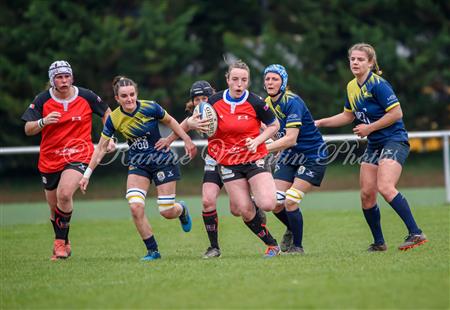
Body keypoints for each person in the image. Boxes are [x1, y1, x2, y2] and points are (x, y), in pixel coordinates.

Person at [315, 43, 427, 251]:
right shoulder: (351, 86)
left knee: (385, 187)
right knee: (367, 194)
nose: (355, 62)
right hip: (375, 145)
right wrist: (320, 122)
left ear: (371, 63)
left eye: (360, 59)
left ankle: (416, 232)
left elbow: (396, 114)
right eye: (352, 59)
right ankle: (379, 243)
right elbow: (347, 116)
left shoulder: (378, 85)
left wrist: (369, 128)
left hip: (394, 140)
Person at [79, 76, 197, 261]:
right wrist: (86, 175)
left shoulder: (151, 107)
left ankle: (181, 210)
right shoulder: (114, 119)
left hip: (162, 160)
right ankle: (153, 251)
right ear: (117, 99)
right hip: (138, 163)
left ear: (137, 94)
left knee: (166, 211)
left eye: (132, 94)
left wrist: (187, 140)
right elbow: (101, 148)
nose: (129, 99)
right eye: (124, 96)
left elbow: (171, 121)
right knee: (135, 207)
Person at [156, 80, 267, 259]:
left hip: (235, 160)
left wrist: (268, 134)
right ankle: (214, 247)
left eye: (204, 97)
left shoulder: (223, 104)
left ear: (212, 95)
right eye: (196, 99)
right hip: (214, 160)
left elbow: (256, 120)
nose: (201, 102)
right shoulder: (197, 114)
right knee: (207, 201)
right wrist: (170, 141)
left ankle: (252, 204)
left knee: (237, 210)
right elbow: (184, 124)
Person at [21, 60, 113, 260]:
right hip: (50, 158)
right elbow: (28, 129)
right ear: (52, 80)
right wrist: (43, 121)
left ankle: (59, 244)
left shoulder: (86, 96)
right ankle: (64, 242)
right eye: (59, 77)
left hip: (79, 154)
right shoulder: (42, 99)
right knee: (55, 210)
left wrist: (110, 136)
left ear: (72, 77)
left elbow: (107, 112)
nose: (63, 81)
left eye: (66, 76)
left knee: (64, 194)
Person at [207, 60, 281, 257]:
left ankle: (257, 202)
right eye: (235, 79)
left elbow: (274, 126)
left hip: (254, 158)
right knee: (243, 211)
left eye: (244, 80)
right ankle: (272, 245)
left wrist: (258, 140)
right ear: (228, 80)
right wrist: (191, 126)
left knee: (268, 204)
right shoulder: (214, 101)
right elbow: (196, 120)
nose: (239, 84)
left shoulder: (256, 102)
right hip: (228, 162)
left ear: (248, 82)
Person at [263, 64, 328, 254]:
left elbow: (291, 138)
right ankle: (292, 227)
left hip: (313, 155)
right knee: (275, 202)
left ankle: (297, 247)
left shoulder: (293, 101)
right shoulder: (267, 103)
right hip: (290, 155)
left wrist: (262, 149)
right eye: (267, 79)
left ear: (283, 82)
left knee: (290, 200)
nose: (270, 82)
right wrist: (271, 143)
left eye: (275, 79)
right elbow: (273, 131)